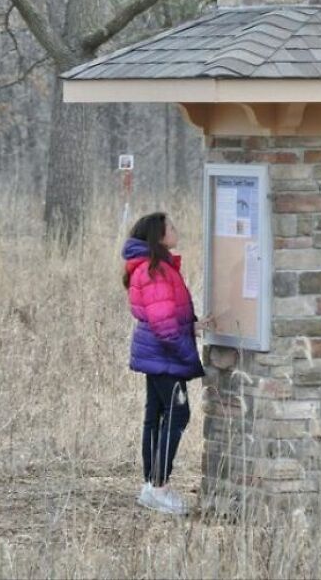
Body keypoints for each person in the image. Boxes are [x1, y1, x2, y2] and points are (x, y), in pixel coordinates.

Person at [121, 211, 215, 515]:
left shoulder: (154, 266)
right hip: (165, 355)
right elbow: (164, 326)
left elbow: (165, 316)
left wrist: (192, 327)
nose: (176, 230)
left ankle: (151, 485)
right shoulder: (156, 270)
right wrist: (186, 353)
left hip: (155, 353)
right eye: (171, 227)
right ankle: (159, 487)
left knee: (156, 414)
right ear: (159, 236)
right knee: (177, 414)